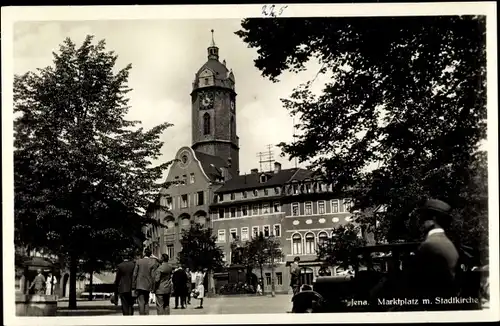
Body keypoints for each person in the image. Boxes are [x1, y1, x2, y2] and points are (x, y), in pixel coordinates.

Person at [408, 199, 459, 310]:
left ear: (433, 220)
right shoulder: (448, 243)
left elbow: (414, 283)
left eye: (425, 218)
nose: (422, 222)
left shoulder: (429, 245)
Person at [132, 248, 158, 315]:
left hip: (139, 284)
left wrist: (133, 284)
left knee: (141, 301)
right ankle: (147, 315)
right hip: (148, 284)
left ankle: (142, 316)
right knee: (146, 301)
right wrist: (153, 286)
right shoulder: (153, 262)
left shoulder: (139, 261)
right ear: (150, 254)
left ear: (144, 253)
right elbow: (153, 276)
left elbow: (135, 274)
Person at [114, 251, 137, 315]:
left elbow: (117, 278)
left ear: (122, 257)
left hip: (123, 287)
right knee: (131, 303)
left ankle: (126, 315)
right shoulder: (133, 265)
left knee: (124, 303)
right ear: (129, 257)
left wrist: (116, 286)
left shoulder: (120, 266)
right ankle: (131, 314)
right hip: (131, 287)